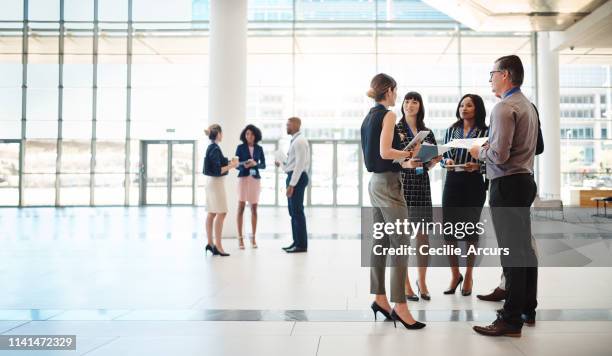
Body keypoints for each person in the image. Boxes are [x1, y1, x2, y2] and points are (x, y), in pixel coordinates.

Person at [470, 55, 539, 337]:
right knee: (524, 252)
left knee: (512, 254)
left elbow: (499, 155)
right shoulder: (528, 106)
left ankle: (510, 320)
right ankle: (526, 309)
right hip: (524, 181)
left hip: (507, 185)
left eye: (493, 73)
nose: (490, 78)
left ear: (506, 75)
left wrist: (479, 152)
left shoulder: (502, 108)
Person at [362, 73, 425, 330]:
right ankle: (400, 305)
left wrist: (404, 160)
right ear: (388, 90)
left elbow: (381, 156)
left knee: (382, 240)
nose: (396, 95)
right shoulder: (388, 115)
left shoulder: (369, 116)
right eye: (395, 91)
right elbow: (385, 152)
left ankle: (380, 298)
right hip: (388, 185)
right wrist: (408, 152)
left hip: (377, 182)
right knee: (400, 241)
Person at [395, 91, 441, 302]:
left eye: (415, 102)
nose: (410, 105)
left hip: (422, 185)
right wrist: (407, 161)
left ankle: (421, 281)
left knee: (423, 237)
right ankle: (404, 283)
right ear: (402, 105)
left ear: (420, 106)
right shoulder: (396, 129)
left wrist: (434, 160)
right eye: (407, 101)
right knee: (403, 237)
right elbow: (391, 160)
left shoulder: (427, 132)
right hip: (403, 185)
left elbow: (428, 164)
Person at [441, 94, 489, 297]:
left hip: (474, 183)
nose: (464, 108)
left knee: (471, 231)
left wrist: (478, 165)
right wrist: (448, 162)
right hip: (452, 182)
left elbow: (492, 159)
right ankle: (455, 275)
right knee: (449, 231)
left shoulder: (487, 131)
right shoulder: (451, 131)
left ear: (477, 108)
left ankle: (469, 275)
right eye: (462, 105)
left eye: (469, 105)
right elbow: (444, 155)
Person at [203, 124, 238, 257]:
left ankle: (210, 244)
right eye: (222, 133)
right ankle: (218, 245)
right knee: (222, 213)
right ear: (218, 134)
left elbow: (218, 164)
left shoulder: (212, 147)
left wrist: (232, 162)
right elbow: (219, 170)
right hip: (216, 184)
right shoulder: (215, 148)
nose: (223, 135)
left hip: (211, 183)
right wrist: (232, 166)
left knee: (212, 213)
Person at [275, 117, 310, 253]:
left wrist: (292, 184)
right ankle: (297, 242)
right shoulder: (295, 141)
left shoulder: (300, 141)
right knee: (293, 212)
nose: (286, 127)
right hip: (294, 176)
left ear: (296, 125)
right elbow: (292, 164)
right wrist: (282, 164)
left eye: (288, 125)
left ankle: (301, 245)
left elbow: (300, 165)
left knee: (297, 212)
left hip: (298, 178)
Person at [235, 124, 266, 249]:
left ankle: (253, 237)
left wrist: (256, 164)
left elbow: (263, 165)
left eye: (252, 134)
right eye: (247, 134)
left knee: (254, 208)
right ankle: (240, 239)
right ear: (244, 135)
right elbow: (236, 164)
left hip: (255, 180)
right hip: (243, 178)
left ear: (256, 136)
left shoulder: (259, 148)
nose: (250, 136)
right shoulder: (240, 147)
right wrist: (244, 165)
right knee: (241, 207)